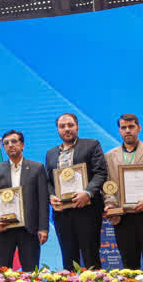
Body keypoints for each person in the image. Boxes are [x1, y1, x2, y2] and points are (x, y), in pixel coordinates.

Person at [102, 113, 143, 270]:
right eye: (123, 127)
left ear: (139, 128)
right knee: (129, 266)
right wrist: (110, 203)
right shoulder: (109, 156)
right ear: (119, 130)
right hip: (122, 216)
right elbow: (108, 185)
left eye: (131, 126)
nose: (127, 130)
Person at [43, 112, 107, 270]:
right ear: (58, 129)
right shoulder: (50, 153)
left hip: (87, 209)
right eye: (62, 126)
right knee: (68, 257)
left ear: (77, 127)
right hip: (62, 212)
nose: (67, 129)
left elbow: (101, 173)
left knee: (90, 255)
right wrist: (51, 196)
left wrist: (88, 193)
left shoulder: (91, 145)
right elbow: (48, 181)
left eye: (70, 125)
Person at [0, 130, 49, 271]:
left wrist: (43, 228)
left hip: (29, 229)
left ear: (22, 145)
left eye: (14, 141)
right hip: (3, 227)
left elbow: (43, 200)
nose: (10, 145)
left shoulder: (37, 168)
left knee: (31, 273)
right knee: (2, 273)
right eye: (6, 143)